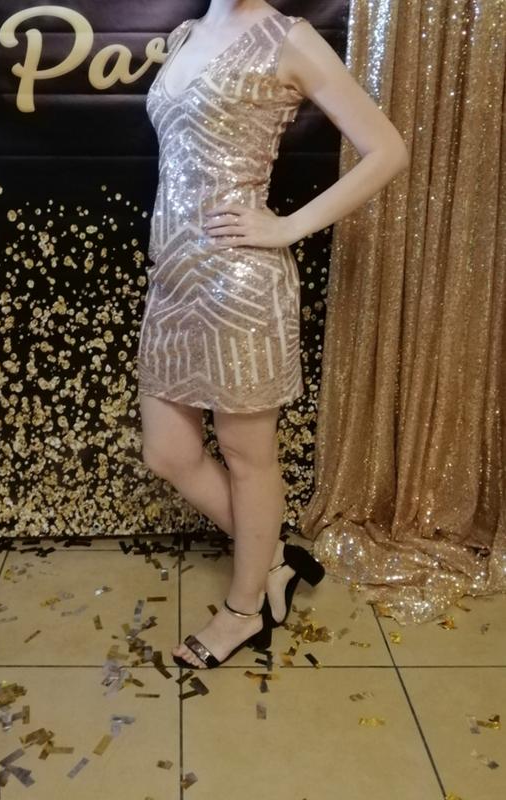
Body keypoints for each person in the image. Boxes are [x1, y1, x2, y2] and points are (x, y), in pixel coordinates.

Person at [137, 0, 409, 669]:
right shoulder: (186, 34)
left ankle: (245, 609)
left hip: (240, 285)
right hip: (172, 282)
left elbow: (388, 150)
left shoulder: (289, 38)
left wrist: (287, 226)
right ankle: (275, 563)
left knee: (245, 454)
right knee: (167, 452)